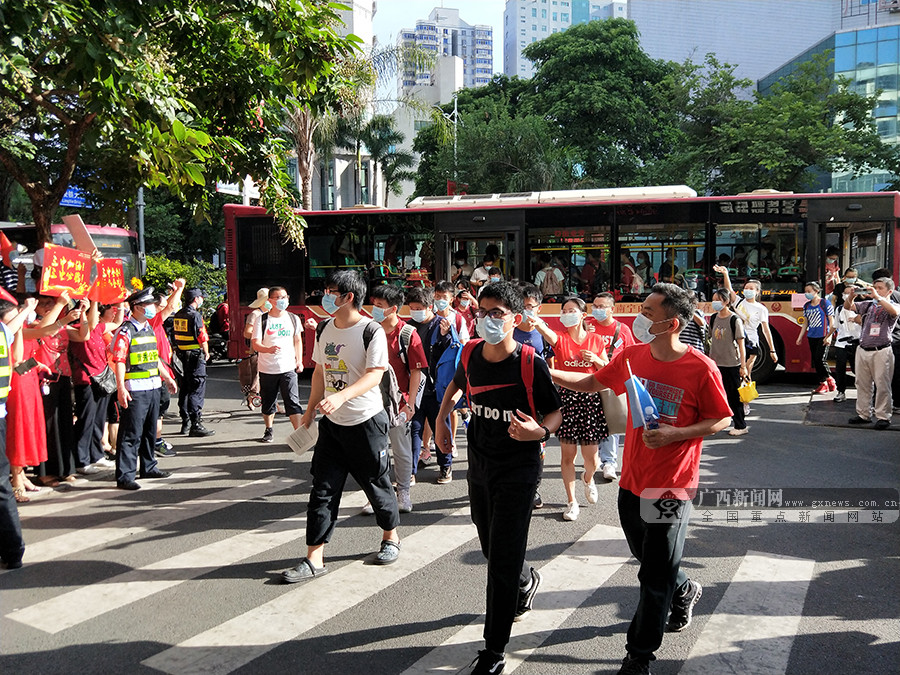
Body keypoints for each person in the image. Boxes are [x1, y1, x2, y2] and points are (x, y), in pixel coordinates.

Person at [550, 283, 732, 675]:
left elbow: (721, 418)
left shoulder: (701, 367)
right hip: (632, 480)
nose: (639, 318)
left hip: (671, 485)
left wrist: (676, 434)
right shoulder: (632, 357)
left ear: (672, 323)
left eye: (648, 313)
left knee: (652, 574)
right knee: (646, 556)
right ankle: (684, 588)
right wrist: (546, 370)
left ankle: (639, 655)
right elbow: (591, 382)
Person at [435, 280, 562, 675]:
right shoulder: (470, 351)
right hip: (480, 464)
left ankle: (493, 650)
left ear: (515, 318)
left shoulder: (530, 362)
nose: (487, 320)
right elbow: (458, 384)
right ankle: (525, 580)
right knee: (491, 545)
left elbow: (554, 412)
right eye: (482, 312)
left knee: (501, 561)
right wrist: (441, 417)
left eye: (497, 313)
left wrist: (540, 432)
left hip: (518, 470)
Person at [282, 270, 400, 582]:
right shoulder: (324, 328)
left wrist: (342, 396)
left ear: (348, 297)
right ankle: (314, 558)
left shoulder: (371, 330)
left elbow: (375, 374)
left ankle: (391, 537)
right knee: (322, 489)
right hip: (332, 426)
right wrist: (310, 410)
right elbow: (320, 372)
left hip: (366, 421)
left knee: (376, 484)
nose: (325, 296)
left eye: (331, 291)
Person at [535, 296, 608, 522]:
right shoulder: (560, 339)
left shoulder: (596, 340)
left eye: (571, 310)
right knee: (568, 455)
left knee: (592, 459)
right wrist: (535, 320)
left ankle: (588, 478)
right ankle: (571, 501)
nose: (566, 314)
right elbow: (546, 331)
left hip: (590, 401)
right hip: (566, 400)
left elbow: (607, 369)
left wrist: (595, 359)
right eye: (564, 311)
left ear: (582, 315)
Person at [112, 287, 178, 490]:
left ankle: (149, 466)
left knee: (150, 430)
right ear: (137, 307)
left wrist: (167, 377)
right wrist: (121, 388)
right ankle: (125, 475)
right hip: (136, 389)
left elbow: (154, 356)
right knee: (131, 433)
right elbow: (119, 360)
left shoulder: (148, 327)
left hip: (153, 386)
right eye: (148, 304)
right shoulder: (126, 331)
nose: (152, 308)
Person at [369, 284, 427, 513]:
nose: (374, 309)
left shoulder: (407, 334)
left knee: (401, 450)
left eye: (379, 305)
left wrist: (410, 405)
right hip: (371, 401)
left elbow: (416, 371)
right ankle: (378, 494)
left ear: (393, 309)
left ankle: (403, 491)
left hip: (398, 403)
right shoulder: (369, 330)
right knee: (375, 450)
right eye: (374, 304)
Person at [513, 284, 555, 509]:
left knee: (537, 445)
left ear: (539, 308)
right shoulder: (509, 329)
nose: (526, 310)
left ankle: (534, 486)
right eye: (522, 306)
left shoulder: (544, 332)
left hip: (536, 399)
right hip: (512, 396)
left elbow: (550, 363)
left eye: (530, 306)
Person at [407, 285, 455, 484]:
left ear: (429, 307)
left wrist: (446, 336)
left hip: (436, 390)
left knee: (440, 427)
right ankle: (410, 471)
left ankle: (445, 466)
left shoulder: (441, 326)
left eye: (418, 308)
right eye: (412, 308)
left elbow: (451, 353)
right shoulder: (408, 327)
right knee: (413, 431)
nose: (415, 312)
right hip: (414, 390)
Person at [69, 300, 121, 474]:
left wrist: (121, 303)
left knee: (98, 419)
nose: (98, 315)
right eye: (95, 312)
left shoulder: (98, 328)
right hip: (86, 380)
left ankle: (96, 455)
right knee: (86, 420)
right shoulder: (76, 329)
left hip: (102, 380)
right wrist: (93, 301)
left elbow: (117, 322)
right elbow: (88, 326)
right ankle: (81, 459)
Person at [589, 292, 636, 481]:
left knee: (612, 420)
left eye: (601, 306)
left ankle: (609, 462)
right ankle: (592, 457)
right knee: (591, 421)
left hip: (612, 381)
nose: (596, 310)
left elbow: (630, 355)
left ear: (612, 309)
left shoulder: (622, 329)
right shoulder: (587, 326)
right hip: (590, 380)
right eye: (594, 306)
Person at [251, 286, 304, 442]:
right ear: (270, 301)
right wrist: (268, 349)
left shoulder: (293, 318)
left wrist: (299, 361)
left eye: (285, 297)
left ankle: (299, 435)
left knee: (293, 402)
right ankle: (269, 429)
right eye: (279, 298)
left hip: (288, 368)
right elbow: (255, 344)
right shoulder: (262, 320)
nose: (283, 300)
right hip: (267, 368)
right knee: (268, 402)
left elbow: (298, 341)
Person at [845, 278, 900, 429]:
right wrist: (851, 296)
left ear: (889, 291)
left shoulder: (893, 305)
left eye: (880, 288)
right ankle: (863, 413)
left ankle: (883, 416)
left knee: (882, 384)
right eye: (874, 287)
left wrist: (878, 297)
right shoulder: (868, 305)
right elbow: (848, 307)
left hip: (881, 350)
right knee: (862, 383)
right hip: (863, 348)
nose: (875, 290)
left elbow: (894, 312)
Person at [0, 298, 27, 568]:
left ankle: (12, 550)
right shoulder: (3, 332)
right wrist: (27, 309)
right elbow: (13, 326)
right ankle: (12, 550)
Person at [173, 287, 214, 437]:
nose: (202, 300)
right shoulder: (195, 315)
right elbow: (201, 336)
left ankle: (186, 422)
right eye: (201, 297)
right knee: (197, 388)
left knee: (185, 388)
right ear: (196, 299)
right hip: (195, 356)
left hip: (181, 356)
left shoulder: (178, 314)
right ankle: (196, 423)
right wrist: (206, 352)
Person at [708, 288, 748, 436]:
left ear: (725, 301)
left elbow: (741, 345)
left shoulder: (734, 319)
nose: (714, 303)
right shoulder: (713, 318)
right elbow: (710, 339)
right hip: (716, 364)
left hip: (731, 364)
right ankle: (719, 423)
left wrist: (743, 366)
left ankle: (741, 425)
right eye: (713, 300)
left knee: (734, 396)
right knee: (717, 395)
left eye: (717, 300)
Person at [796, 281, 835, 394]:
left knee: (820, 359)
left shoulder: (825, 303)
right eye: (805, 291)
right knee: (816, 360)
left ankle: (827, 381)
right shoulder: (806, 306)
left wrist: (829, 336)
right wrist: (800, 337)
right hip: (811, 336)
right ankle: (826, 381)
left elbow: (831, 321)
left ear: (816, 291)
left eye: (809, 291)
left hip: (823, 335)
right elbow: (805, 323)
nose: (807, 293)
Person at [870, 267, 900, 414]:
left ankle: (879, 405)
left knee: (881, 376)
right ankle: (896, 403)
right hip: (895, 339)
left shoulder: (878, 298)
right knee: (894, 374)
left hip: (886, 340)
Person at [240, 287, 270, 410]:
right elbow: (247, 333)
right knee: (257, 378)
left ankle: (273, 404)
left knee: (269, 380)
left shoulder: (271, 314)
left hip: (269, 351)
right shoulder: (255, 314)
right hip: (258, 351)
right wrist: (260, 334)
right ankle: (252, 398)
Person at [832, 286, 861, 404]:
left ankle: (862, 392)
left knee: (857, 369)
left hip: (857, 342)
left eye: (851, 293)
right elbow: (835, 325)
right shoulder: (839, 309)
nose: (848, 295)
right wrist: (828, 336)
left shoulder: (861, 308)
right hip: (841, 343)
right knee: (840, 368)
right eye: (846, 293)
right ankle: (841, 391)